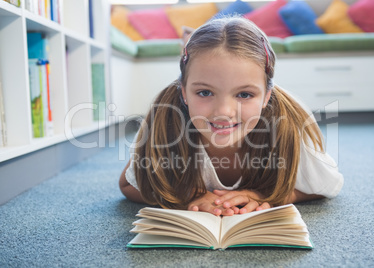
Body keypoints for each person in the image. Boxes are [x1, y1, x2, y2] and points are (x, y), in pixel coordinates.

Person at [119, 17, 344, 216]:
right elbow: (128, 185)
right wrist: (184, 197)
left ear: (266, 96)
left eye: (244, 94)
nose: (224, 112)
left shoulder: (291, 123)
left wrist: (271, 197)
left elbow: (326, 185)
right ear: (184, 92)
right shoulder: (165, 115)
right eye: (205, 92)